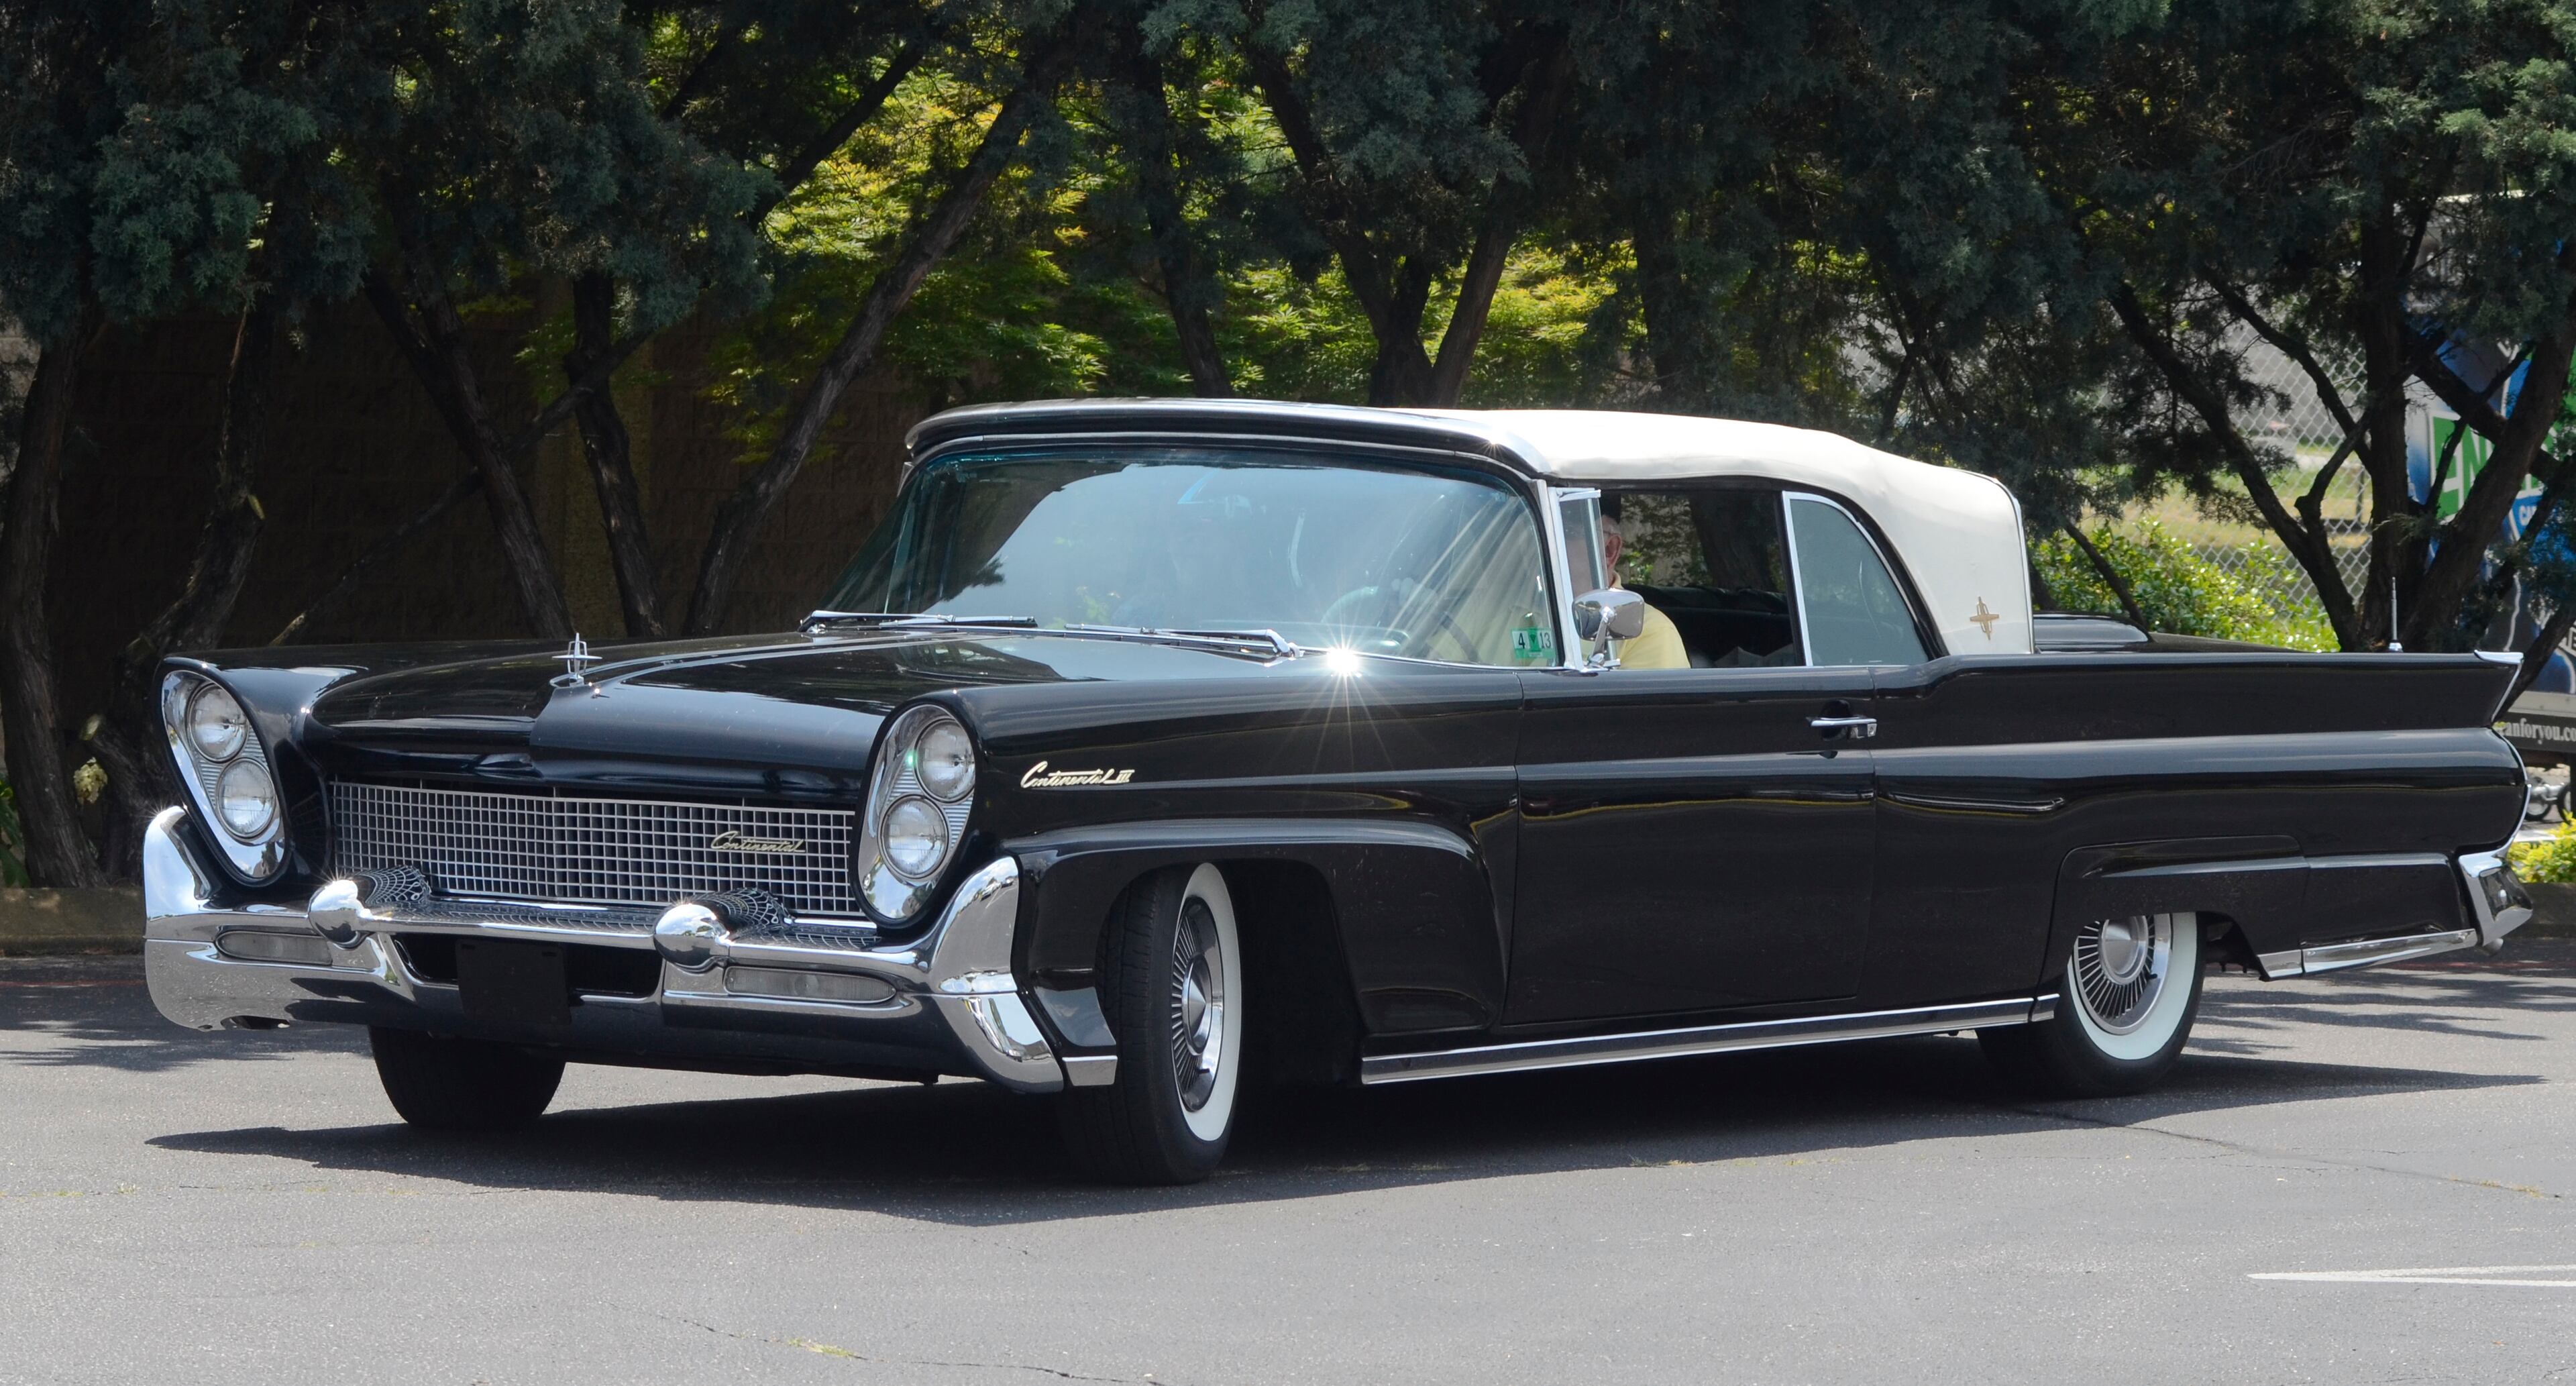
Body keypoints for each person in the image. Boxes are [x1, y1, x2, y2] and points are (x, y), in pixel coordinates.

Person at [1597, 511, 1688, 669]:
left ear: (1609, 551)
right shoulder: (1543, 613)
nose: (1543, 542)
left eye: (1567, 531)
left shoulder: (1648, 629)